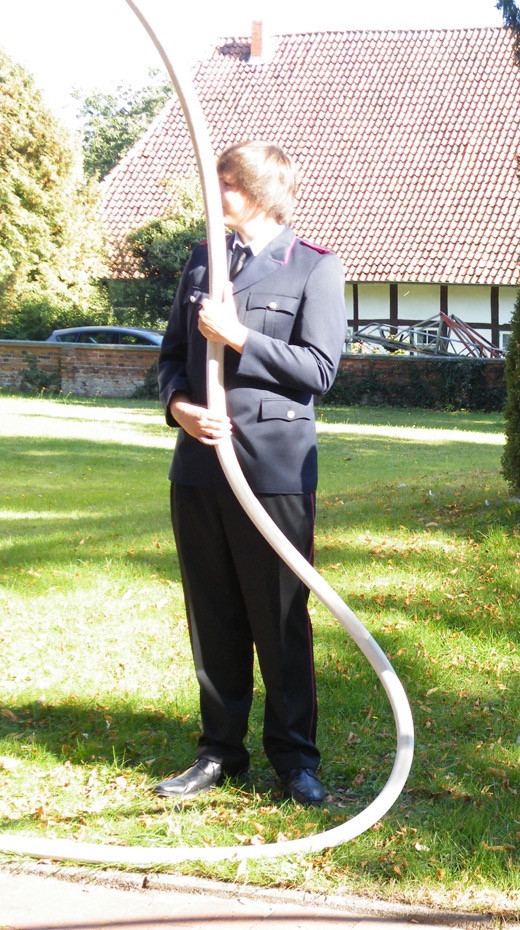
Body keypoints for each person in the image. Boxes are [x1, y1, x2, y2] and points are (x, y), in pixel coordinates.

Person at [153, 140, 347, 806]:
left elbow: (319, 370)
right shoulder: (202, 260)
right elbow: (172, 358)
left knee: (280, 615)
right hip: (200, 469)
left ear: (255, 192)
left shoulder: (313, 268)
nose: (213, 196)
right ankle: (219, 752)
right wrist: (179, 406)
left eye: (223, 184)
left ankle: (294, 760)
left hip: (273, 471)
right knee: (213, 614)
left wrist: (240, 338)